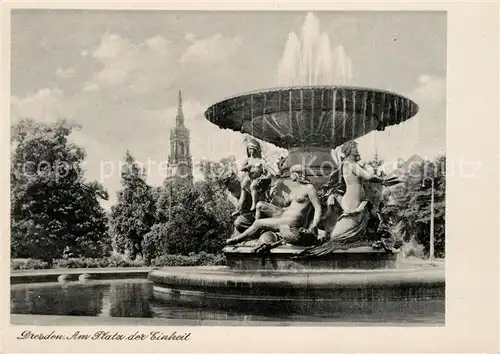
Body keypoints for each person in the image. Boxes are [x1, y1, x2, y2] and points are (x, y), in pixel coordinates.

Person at [297, 140, 391, 257]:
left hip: (354, 201)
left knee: (341, 236)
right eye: (355, 148)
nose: (357, 150)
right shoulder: (351, 165)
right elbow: (369, 177)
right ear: (349, 151)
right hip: (353, 204)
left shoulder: (346, 164)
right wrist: (384, 180)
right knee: (337, 238)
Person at [226, 164, 322, 246]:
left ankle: (238, 239)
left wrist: (314, 224)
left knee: (257, 223)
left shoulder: (309, 188)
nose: (290, 176)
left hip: (292, 222)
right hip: (283, 214)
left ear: (296, 174)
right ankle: (257, 231)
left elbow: (317, 207)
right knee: (259, 205)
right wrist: (274, 194)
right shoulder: (295, 189)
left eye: (291, 174)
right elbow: (285, 203)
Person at [232, 137, 276, 216]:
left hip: (259, 178)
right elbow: (241, 168)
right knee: (243, 185)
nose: (250, 151)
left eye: (251, 149)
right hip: (250, 177)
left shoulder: (261, 160)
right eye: (249, 149)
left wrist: (269, 172)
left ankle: (254, 203)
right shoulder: (248, 160)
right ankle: (240, 207)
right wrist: (246, 167)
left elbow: (268, 169)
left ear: (256, 149)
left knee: (253, 185)